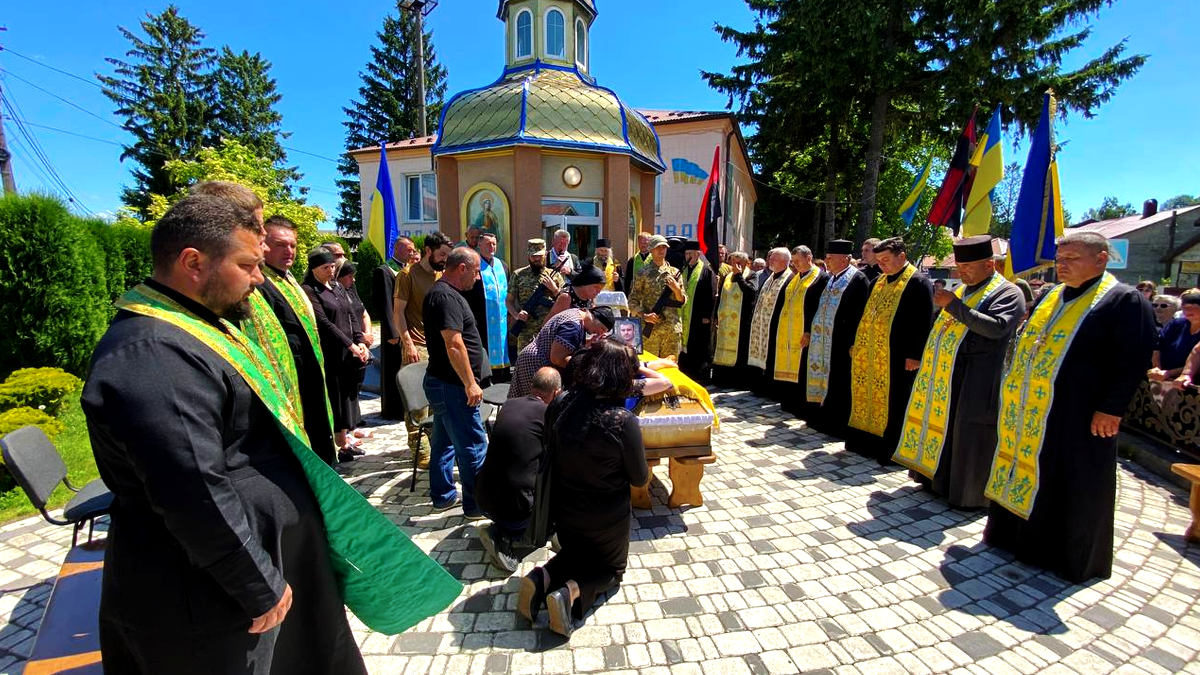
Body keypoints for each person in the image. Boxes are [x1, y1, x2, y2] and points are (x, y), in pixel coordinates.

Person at [81, 194, 367, 674]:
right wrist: (257, 583)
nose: (258, 280)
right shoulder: (153, 352)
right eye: (247, 265)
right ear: (193, 262)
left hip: (261, 562)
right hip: (211, 592)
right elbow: (191, 487)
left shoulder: (195, 325)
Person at [984, 231, 1156, 582]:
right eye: (1059, 259)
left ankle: (1066, 555)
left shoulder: (1123, 300)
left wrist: (1112, 407)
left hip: (1081, 412)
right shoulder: (1053, 297)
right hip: (1034, 409)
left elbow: (1132, 359)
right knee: (1034, 472)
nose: (1062, 265)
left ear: (1101, 258)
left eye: (1071, 259)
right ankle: (1016, 538)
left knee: (1074, 482)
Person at [518, 339, 650, 638]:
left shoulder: (562, 401)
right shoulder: (620, 420)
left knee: (574, 555)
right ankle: (569, 594)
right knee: (611, 570)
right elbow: (639, 479)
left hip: (563, 509)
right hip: (605, 517)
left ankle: (541, 578)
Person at [892, 236, 1025, 509]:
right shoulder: (966, 289)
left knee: (968, 433)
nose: (962, 271)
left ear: (989, 265)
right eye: (960, 266)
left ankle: (966, 494)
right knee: (946, 428)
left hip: (979, 377)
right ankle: (936, 481)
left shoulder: (1008, 293)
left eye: (968, 266)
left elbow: (996, 327)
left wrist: (954, 306)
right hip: (948, 374)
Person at [847, 237, 934, 462]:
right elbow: (864, 315)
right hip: (871, 353)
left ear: (902, 256)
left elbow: (923, 321)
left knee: (894, 401)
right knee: (866, 395)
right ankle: (863, 441)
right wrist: (857, 343)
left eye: (886, 260)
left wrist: (915, 354)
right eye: (879, 261)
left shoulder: (918, 282)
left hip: (898, 355)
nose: (882, 265)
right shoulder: (878, 280)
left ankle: (888, 449)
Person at [422, 247, 490, 517]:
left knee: (443, 442)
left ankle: (443, 495)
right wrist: (470, 383)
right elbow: (454, 344)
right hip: (453, 386)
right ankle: (476, 506)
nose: (478, 278)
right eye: (475, 271)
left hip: (444, 383)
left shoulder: (446, 294)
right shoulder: (445, 297)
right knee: (473, 445)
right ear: (461, 268)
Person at [477, 367, 563, 572]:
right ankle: (506, 536)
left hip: (481, 497)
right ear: (556, 393)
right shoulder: (547, 415)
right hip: (515, 511)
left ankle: (503, 528)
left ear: (532, 386)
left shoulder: (509, 404)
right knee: (558, 474)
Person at [391, 231, 453, 466]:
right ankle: (419, 449)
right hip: (416, 345)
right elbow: (398, 313)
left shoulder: (442, 274)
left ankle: (436, 443)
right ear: (428, 251)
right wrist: (407, 343)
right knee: (417, 402)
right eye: (442, 254)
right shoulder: (407, 275)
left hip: (438, 344)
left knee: (438, 398)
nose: (445, 259)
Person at [303, 250, 369, 461]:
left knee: (349, 397)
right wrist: (350, 345)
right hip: (331, 352)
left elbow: (351, 314)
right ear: (313, 269)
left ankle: (346, 440)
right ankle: (338, 443)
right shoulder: (310, 290)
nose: (331, 271)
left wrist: (360, 340)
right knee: (336, 398)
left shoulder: (338, 287)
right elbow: (324, 322)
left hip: (349, 352)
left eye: (332, 267)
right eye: (325, 268)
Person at [805, 239, 871, 437]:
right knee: (827, 379)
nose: (827, 261)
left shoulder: (858, 280)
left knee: (839, 382)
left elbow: (860, 313)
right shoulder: (830, 278)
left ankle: (837, 424)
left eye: (830, 258)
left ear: (845, 259)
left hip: (842, 342)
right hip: (824, 339)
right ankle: (822, 418)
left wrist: (853, 342)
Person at [509, 307, 615, 398]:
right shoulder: (572, 326)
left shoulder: (577, 314)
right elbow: (557, 358)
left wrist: (590, 342)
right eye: (602, 328)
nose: (600, 333)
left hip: (532, 358)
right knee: (533, 405)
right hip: (536, 363)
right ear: (595, 317)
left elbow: (569, 344)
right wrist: (586, 367)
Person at [771, 246, 828, 417]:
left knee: (802, 368)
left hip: (805, 332)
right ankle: (788, 401)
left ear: (809, 257)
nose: (794, 265)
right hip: (787, 332)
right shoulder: (796, 278)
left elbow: (818, 307)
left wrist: (809, 330)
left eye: (797, 261)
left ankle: (800, 404)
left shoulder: (820, 278)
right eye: (793, 262)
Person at [372, 235, 417, 419]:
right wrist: (392, 331)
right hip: (394, 330)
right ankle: (392, 409)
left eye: (413, 250)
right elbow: (384, 303)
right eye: (408, 250)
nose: (412, 253)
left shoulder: (406, 270)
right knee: (393, 369)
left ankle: (406, 406)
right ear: (397, 249)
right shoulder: (384, 270)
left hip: (407, 325)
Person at [629, 235, 687, 358]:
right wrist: (644, 316)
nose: (661, 250)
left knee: (671, 367)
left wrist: (677, 290)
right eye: (657, 247)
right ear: (650, 249)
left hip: (672, 328)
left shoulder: (675, 272)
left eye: (664, 247)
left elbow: (682, 301)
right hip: (651, 330)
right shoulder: (642, 273)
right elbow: (632, 300)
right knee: (650, 365)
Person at [745, 248, 793, 395]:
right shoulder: (771, 277)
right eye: (770, 258)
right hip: (762, 325)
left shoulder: (789, 279)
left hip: (776, 326)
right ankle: (759, 386)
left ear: (785, 261)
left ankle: (770, 389)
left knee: (772, 357)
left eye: (774, 259)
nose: (770, 261)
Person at [336, 261, 372, 446]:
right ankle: (343, 432)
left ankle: (352, 426)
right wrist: (353, 343)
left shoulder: (351, 290)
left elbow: (362, 313)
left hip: (358, 344)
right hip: (345, 348)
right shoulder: (334, 292)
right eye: (349, 276)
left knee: (354, 389)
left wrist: (365, 337)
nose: (353, 279)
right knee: (344, 393)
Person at [508, 238, 566, 353]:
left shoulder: (554, 275)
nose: (536, 259)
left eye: (539, 256)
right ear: (528, 256)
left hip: (549, 330)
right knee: (525, 365)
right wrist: (516, 315)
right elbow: (509, 301)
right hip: (526, 332)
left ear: (545, 254)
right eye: (533, 256)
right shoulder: (518, 275)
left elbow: (565, 302)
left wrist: (554, 289)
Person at [712, 251, 758, 387]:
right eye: (732, 261)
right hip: (725, 321)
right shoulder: (727, 276)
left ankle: (737, 381)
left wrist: (739, 276)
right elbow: (719, 297)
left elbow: (751, 292)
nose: (734, 264)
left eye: (738, 262)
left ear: (745, 263)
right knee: (722, 348)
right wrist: (715, 315)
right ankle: (721, 379)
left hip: (741, 321)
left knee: (739, 350)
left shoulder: (751, 275)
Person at [678, 241, 718, 381]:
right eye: (686, 253)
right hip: (683, 314)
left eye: (691, 253)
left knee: (697, 345)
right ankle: (684, 372)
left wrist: (707, 315)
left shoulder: (706, 271)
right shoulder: (682, 270)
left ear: (698, 254)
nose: (688, 256)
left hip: (699, 316)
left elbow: (711, 294)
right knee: (684, 347)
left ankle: (698, 375)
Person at [476, 232, 510, 378]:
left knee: (503, 351)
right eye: (488, 244)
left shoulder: (502, 265)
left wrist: (509, 313)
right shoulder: (475, 265)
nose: (492, 247)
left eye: (494, 244)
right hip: (482, 320)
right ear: (479, 245)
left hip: (501, 320)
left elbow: (508, 293)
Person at [1149, 289, 1200, 380]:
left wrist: (1170, 373)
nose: (1188, 313)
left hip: (1189, 383)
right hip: (1162, 378)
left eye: (1192, 309)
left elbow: (1197, 359)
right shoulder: (1176, 324)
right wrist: (1157, 368)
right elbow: (1157, 346)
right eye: (1185, 309)